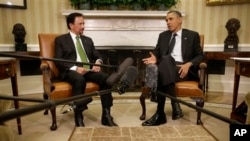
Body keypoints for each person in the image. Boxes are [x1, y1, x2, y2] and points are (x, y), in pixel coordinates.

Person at [54, 12, 117, 127]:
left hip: (88, 70)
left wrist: (98, 62)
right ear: (71, 25)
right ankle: (79, 117)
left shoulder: (87, 40)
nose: (83, 26)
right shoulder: (61, 40)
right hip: (70, 71)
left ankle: (106, 115)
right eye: (80, 24)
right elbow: (58, 60)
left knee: (106, 78)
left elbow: (97, 55)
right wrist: (75, 68)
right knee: (79, 80)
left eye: (84, 23)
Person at [141, 10, 204, 126]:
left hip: (184, 70)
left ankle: (160, 114)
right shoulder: (163, 36)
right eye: (166, 20)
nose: (168, 22)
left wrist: (189, 64)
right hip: (167, 67)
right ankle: (174, 105)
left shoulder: (192, 35)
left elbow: (200, 55)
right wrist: (154, 58)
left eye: (171, 19)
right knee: (165, 60)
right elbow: (157, 52)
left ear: (180, 20)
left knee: (161, 69)